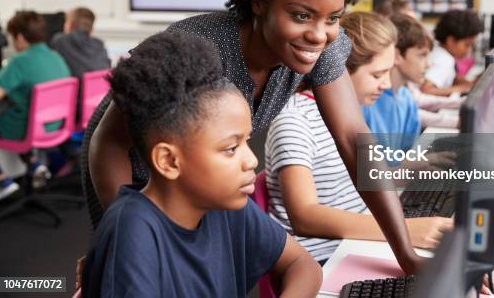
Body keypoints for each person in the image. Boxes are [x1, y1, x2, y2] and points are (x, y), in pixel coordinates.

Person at [84, 0, 424, 275]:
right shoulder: (203, 46)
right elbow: (108, 142)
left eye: (333, 17)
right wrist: (125, 233)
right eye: (300, 15)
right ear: (259, 0)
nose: (318, 34)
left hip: (202, 183)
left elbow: (353, 137)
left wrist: (405, 252)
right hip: (132, 178)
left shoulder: (320, 45)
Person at [82, 32, 321, 297]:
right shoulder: (132, 234)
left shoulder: (223, 202)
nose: (252, 160)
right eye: (231, 148)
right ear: (169, 161)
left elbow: (303, 265)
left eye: (246, 142)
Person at [265, 12, 453, 264]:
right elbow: (305, 215)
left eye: (389, 72)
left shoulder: (353, 113)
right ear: (341, 70)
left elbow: (348, 184)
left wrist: (404, 173)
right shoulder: (295, 120)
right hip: (322, 260)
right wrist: (406, 229)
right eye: (377, 75)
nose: (386, 84)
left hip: (353, 242)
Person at [0, 11, 71, 201]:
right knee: (19, 108)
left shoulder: (19, 62)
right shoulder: (56, 56)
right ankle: (34, 163)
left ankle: (1, 181)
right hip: (55, 127)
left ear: (20, 37)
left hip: (28, 130)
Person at [385, 13, 463, 129]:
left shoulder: (404, 94)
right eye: (422, 55)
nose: (428, 64)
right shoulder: (377, 101)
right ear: (397, 56)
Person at [421, 9, 484, 96]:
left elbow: (448, 76)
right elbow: (426, 90)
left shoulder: (439, 52)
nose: (469, 50)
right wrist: (463, 88)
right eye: (467, 44)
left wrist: (468, 83)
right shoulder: (444, 60)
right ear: (451, 41)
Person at [50, 7, 110, 81]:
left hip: (75, 91)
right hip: (98, 91)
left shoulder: (60, 41)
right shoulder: (101, 47)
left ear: (70, 25)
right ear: (91, 30)